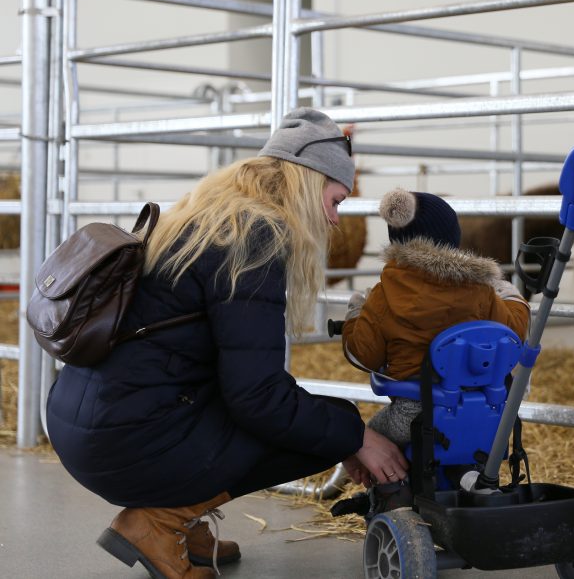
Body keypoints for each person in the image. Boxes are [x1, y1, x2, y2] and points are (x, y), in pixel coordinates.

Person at [44, 108, 408, 579]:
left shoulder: (204, 216)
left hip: (84, 422)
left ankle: (180, 513)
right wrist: (357, 437)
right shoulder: (254, 238)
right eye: (335, 200)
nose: (335, 220)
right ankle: (159, 520)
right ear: (307, 182)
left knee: (303, 417)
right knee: (329, 425)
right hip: (125, 438)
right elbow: (257, 398)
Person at [341, 188, 530, 448]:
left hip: (412, 415)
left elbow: (363, 354)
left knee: (368, 443)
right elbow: (513, 335)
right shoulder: (481, 291)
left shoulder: (383, 294)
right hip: (477, 412)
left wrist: (355, 313)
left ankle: (387, 488)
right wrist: (511, 297)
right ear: (452, 237)